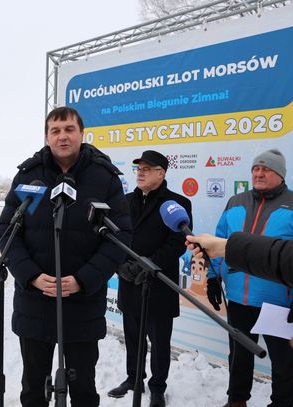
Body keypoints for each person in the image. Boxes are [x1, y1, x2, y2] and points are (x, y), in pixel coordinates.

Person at [0, 106, 131, 407]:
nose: (63, 136)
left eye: (69, 129)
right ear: (47, 137)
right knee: (33, 388)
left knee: (83, 388)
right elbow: (7, 230)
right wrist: (31, 276)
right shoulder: (29, 175)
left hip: (82, 303)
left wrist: (83, 280)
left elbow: (121, 236)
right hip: (35, 302)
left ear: (82, 134)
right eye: (55, 131)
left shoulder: (104, 177)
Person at [207, 149, 293, 407]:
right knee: (239, 355)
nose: (259, 173)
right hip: (239, 298)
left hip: (280, 302)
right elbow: (220, 241)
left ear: (280, 174)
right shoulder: (235, 202)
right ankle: (237, 400)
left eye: (266, 169)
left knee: (283, 361)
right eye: (256, 169)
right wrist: (212, 276)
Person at [108, 150, 192, 407]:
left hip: (159, 283)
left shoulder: (177, 203)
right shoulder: (124, 201)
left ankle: (157, 387)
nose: (140, 173)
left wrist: (149, 265)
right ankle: (134, 379)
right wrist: (121, 265)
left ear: (161, 173)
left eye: (147, 168)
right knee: (133, 337)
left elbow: (176, 243)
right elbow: (115, 237)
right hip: (129, 281)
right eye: (138, 168)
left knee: (159, 341)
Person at [186, 232, 293, 292]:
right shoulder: (234, 203)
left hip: (277, 301)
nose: (258, 175)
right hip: (237, 296)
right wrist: (213, 278)